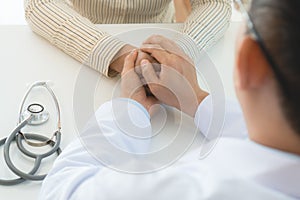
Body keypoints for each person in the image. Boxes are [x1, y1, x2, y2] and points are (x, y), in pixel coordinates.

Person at [40, 0, 300, 199]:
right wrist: (197, 100)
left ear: (249, 62)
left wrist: (125, 115)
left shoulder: (191, 188)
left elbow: (64, 188)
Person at [24, 0, 231, 77]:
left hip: (160, 40)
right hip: (83, 39)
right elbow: (38, 4)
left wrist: (178, 54)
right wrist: (117, 55)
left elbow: (216, 4)